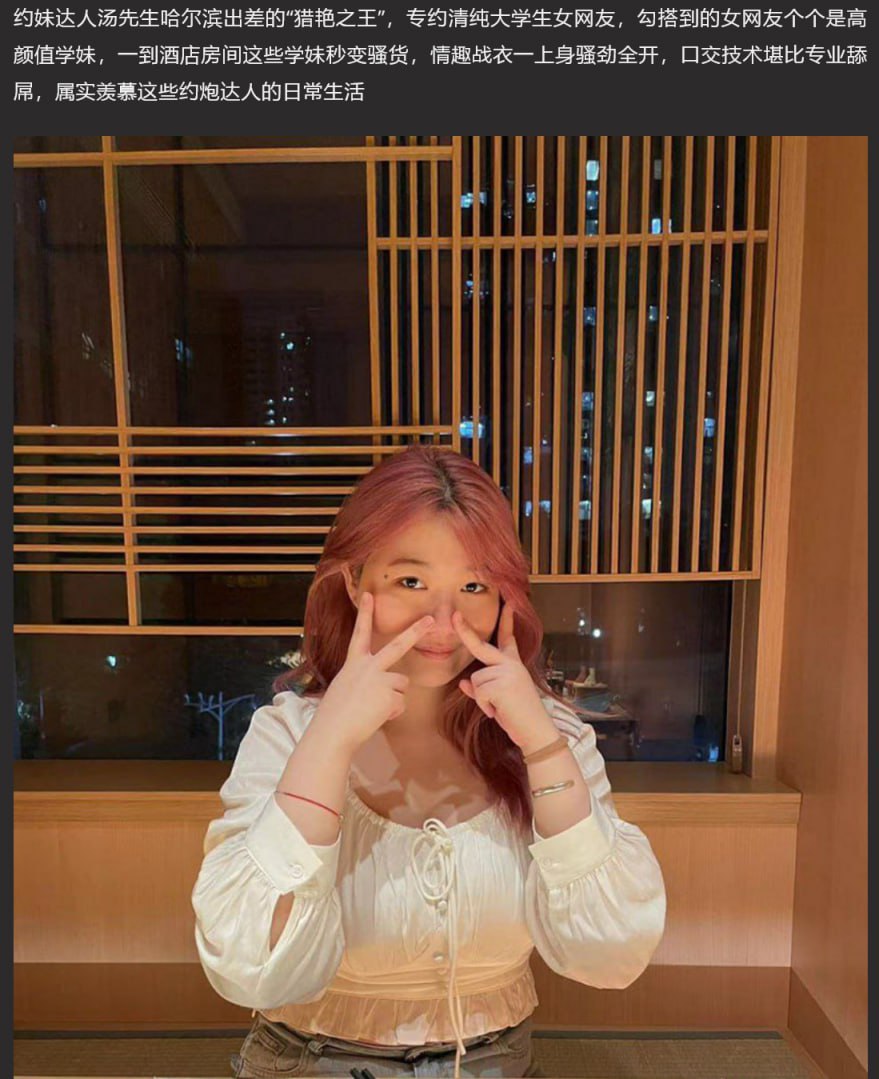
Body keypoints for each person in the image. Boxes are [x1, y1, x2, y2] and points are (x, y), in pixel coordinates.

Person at [192, 445, 666, 1079]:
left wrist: (541, 743)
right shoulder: (289, 736)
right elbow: (249, 968)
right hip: (312, 1061)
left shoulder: (550, 741)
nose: (444, 620)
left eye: (474, 586)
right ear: (354, 582)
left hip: (496, 1062)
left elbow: (611, 953)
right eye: (410, 582)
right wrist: (330, 740)